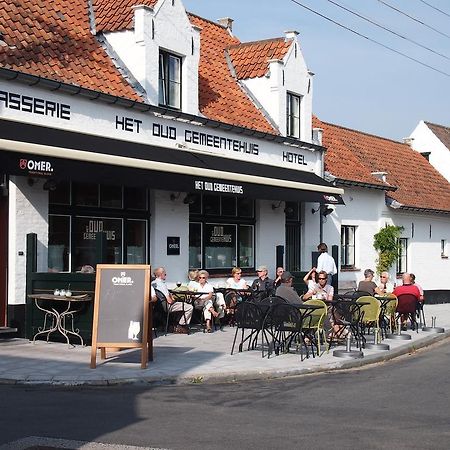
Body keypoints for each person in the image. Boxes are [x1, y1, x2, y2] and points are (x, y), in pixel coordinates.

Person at [153, 266, 193, 334]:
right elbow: (169, 300)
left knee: (181, 305)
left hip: (159, 306)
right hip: (167, 306)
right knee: (189, 307)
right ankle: (181, 325)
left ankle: (175, 325)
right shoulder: (162, 285)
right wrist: (174, 301)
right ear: (161, 274)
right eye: (165, 274)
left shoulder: (153, 283)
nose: (166, 275)